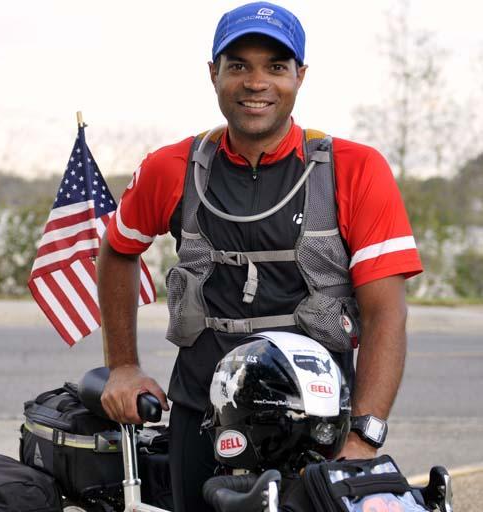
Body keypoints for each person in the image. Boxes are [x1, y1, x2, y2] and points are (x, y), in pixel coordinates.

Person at [97, 3, 423, 512]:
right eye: (238, 65)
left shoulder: (356, 170)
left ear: (300, 76)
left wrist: (364, 435)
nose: (256, 82)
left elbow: (387, 313)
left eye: (275, 66)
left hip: (317, 426)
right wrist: (122, 366)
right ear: (214, 74)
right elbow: (117, 250)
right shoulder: (171, 168)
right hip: (201, 416)